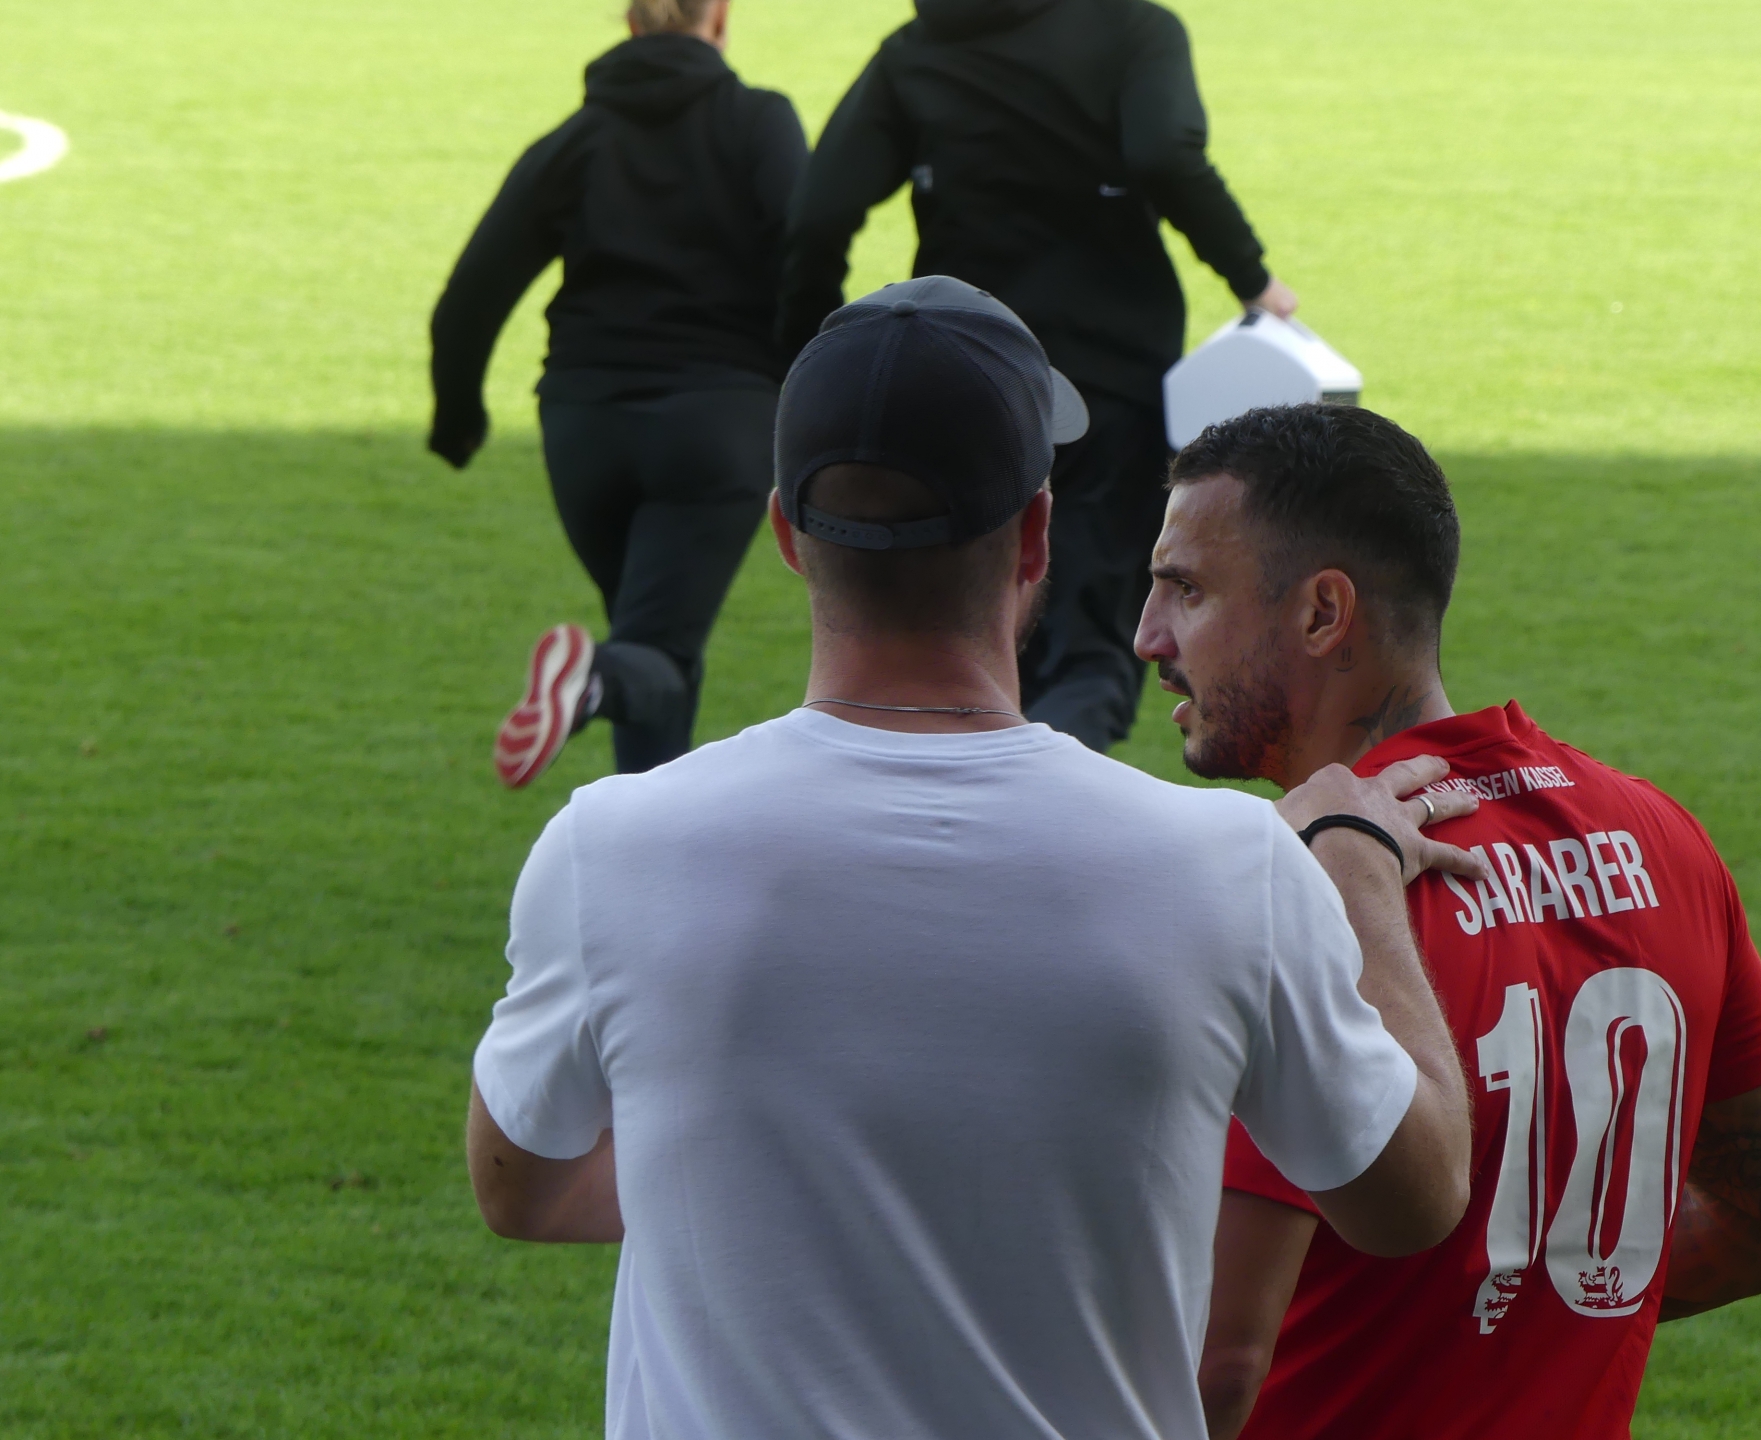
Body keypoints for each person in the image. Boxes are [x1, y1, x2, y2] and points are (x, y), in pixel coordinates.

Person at [464, 277, 1479, 1440]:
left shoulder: (612, 848)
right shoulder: (1231, 865)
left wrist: (760, 1180)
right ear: (1035, 535)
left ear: (786, 535)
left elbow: (519, 1186)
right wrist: (1356, 870)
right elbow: (1414, 1199)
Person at [1130, 403, 1761, 1440]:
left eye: (1187, 589)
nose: (1147, 636)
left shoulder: (1289, 889)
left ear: (1323, 614)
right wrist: (1521, 1311)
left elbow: (1213, 1366)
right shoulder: (1664, 837)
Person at [778, 0, 1297, 754]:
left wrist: (807, 361)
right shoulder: (1132, 29)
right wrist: (1251, 277)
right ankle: (1048, 813)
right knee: (1089, 647)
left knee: (964, 641)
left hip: (960, 380)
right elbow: (1164, 153)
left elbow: (817, 214)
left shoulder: (918, 47)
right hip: (1107, 372)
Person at [428, 0, 806, 786]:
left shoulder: (575, 141)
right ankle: (592, 679)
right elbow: (805, 256)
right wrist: (824, 397)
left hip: (583, 428)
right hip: (717, 425)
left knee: (652, 640)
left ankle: (641, 827)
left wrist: (457, 422)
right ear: (721, 17)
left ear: (630, 23)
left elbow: (467, 300)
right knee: (655, 651)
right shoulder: (758, 121)